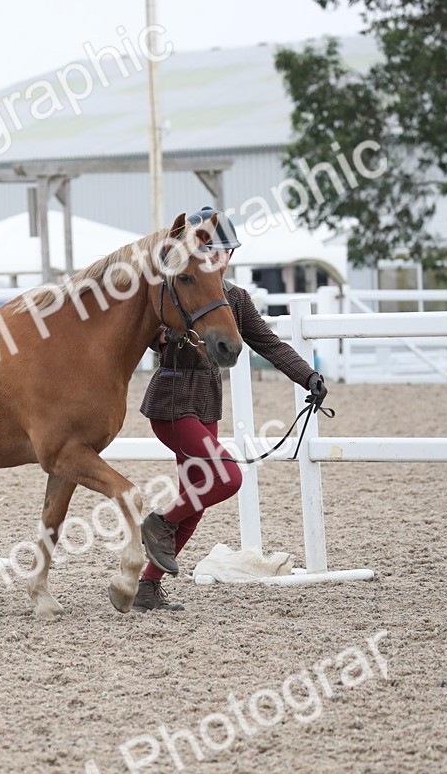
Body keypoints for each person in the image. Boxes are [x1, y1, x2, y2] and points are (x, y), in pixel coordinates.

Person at [133, 206, 328, 612]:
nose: (216, 257)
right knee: (227, 477)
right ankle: (160, 521)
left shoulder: (235, 299)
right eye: (207, 251)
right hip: (172, 403)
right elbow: (144, 331)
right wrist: (162, 339)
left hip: (207, 405)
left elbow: (268, 343)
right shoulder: (173, 286)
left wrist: (308, 376)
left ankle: (147, 587)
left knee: (195, 501)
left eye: (222, 251)